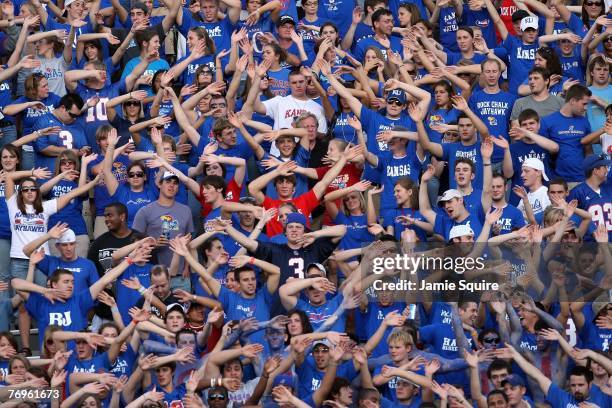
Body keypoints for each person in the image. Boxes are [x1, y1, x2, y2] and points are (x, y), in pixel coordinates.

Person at [568, 154, 612, 241]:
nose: (607, 170)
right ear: (595, 171)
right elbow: (572, 218)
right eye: (604, 167)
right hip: (591, 245)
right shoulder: (577, 192)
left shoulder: (608, 186)